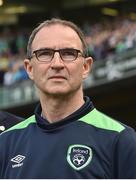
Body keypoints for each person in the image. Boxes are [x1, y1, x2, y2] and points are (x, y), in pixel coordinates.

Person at [0, 18, 136, 179]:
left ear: (86, 67)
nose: (57, 64)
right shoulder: (6, 142)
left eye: (68, 54)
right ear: (29, 68)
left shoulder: (121, 140)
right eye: (45, 54)